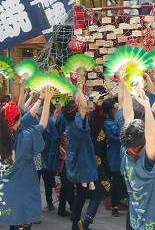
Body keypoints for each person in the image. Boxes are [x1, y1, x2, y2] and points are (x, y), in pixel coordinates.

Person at [0, 75, 53, 230]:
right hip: (22, 195)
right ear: (18, 119)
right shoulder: (25, 138)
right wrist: (47, 100)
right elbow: (42, 124)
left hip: (2, 193)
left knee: (13, 225)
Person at [119, 71, 155, 229]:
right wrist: (147, 108)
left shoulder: (126, 151)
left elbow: (128, 116)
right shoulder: (147, 163)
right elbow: (151, 139)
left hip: (137, 218)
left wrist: (125, 83)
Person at [63, 84, 101, 230]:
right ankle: (84, 223)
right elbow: (84, 106)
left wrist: (76, 89)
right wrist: (79, 88)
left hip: (76, 164)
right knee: (95, 195)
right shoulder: (79, 124)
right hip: (86, 165)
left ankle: (75, 222)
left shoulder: (68, 121)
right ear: (76, 112)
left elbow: (80, 107)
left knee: (81, 194)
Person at [102, 97, 125, 217]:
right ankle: (114, 205)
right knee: (117, 181)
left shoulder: (116, 118)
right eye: (114, 105)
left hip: (123, 153)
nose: (117, 105)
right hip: (116, 155)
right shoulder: (108, 123)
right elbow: (118, 134)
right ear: (111, 109)